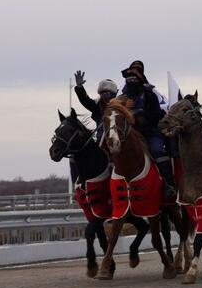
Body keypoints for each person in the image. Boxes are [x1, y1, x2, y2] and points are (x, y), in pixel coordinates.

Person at [119, 60, 176, 199]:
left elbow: (157, 114)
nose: (131, 80)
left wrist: (140, 115)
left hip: (149, 132)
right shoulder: (121, 97)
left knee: (158, 150)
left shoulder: (150, 93)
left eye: (134, 77)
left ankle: (169, 185)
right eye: (129, 78)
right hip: (128, 133)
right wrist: (124, 108)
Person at [73, 70, 118, 143]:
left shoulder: (120, 106)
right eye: (102, 92)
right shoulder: (97, 106)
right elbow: (85, 100)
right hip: (101, 142)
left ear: (113, 93)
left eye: (108, 92)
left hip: (118, 142)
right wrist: (79, 87)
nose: (105, 94)